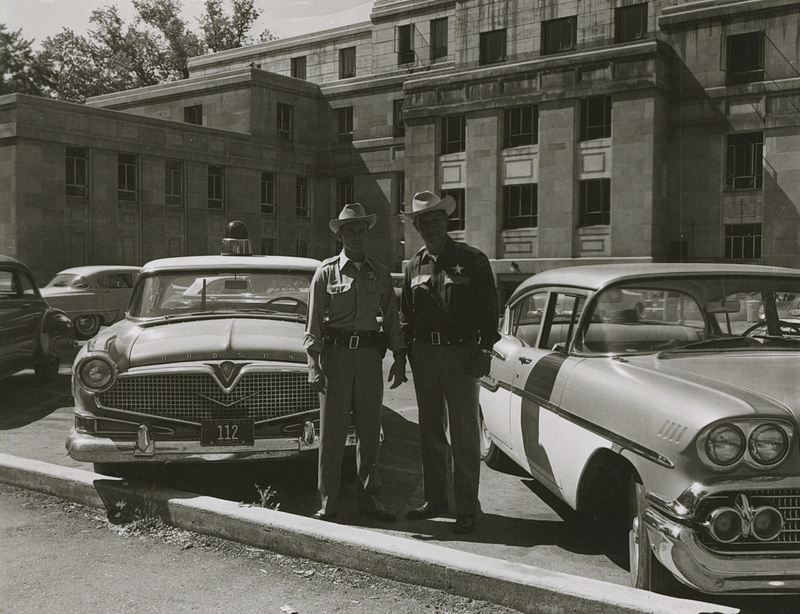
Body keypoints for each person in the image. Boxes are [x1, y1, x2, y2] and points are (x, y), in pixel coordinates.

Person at [400, 190, 500, 535]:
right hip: (425, 355)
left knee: (465, 434)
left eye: (436, 219)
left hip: (462, 355)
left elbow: (489, 309)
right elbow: (406, 315)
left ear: (447, 221)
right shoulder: (413, 264)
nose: (430, 226)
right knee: (429, 431)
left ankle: (467, 507)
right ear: (417, 227)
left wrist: (484, 350)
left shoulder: (472, 260)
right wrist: (406, 356)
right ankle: (436, 500)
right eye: (423, 222)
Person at [304, 203, 407, 523]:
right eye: (350, 230)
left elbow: (392, 319)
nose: (357, 236)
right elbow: (313, 326)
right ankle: (328, 503)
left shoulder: (380, 273)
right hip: (334, 358)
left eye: (362, 230)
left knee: (369, 431)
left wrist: (399, 358)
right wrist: (313, 364)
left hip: (367, 358)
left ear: (368, 234)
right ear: (341, 235)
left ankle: (369, 501)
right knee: (332, 434)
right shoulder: (326, 272)